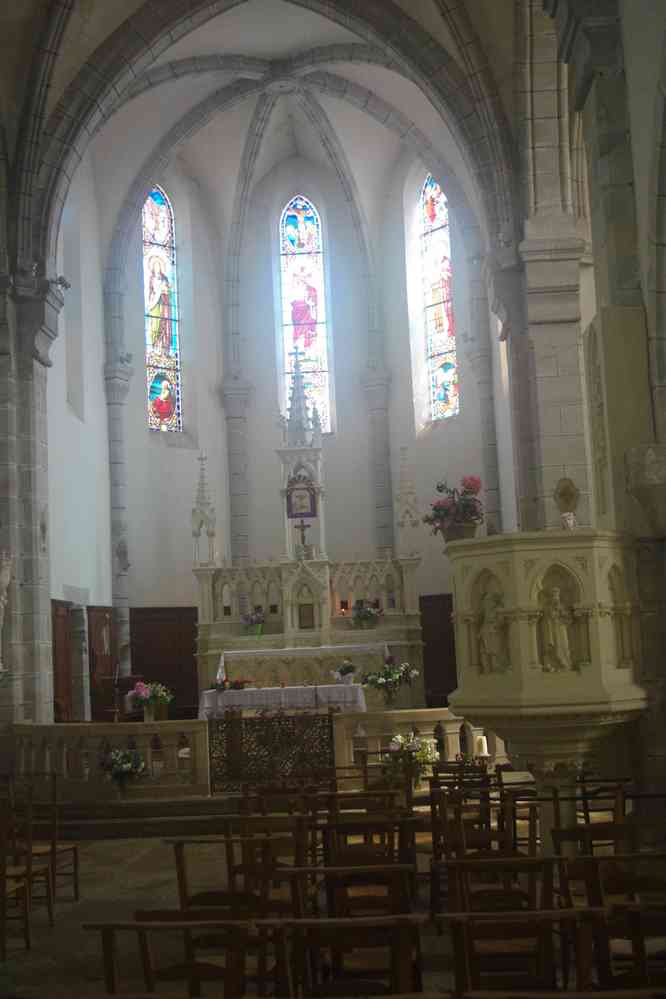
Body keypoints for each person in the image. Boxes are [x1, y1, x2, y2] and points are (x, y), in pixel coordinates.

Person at [542, 587, 573, 671]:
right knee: (554, 647)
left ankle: (565, 664)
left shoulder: (562, 606)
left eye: (556, 595)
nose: (555, 597)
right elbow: (547, 618)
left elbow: (569, 619)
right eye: (553, 595)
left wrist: (561, 612)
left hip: (561, 628)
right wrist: (553, 612)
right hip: (552, 629)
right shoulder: (548, 607)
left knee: (564, 646)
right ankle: (553, 664)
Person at [146, 256, 172, 354]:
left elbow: (169, 292)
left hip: (164, 303)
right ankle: (155, 348)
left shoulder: (165, 279)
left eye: (158, 266)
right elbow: (151, 292)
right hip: (155, 305)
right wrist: (158, 291)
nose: (157, 268)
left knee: (165, 323)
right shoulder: (151, 278)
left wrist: (166, 290)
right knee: (155, 325)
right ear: (153, 267)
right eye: (155, 266)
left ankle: (164, 350)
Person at [291, 270, 318, 348]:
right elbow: (292, 302)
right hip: (298, 314)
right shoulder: (295, 289)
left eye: (304, 278)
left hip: (308, 313)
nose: (302, 281)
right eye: (300, 279)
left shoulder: (312, 289)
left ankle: (308, 345)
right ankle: (298, 343)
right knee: (299, 328)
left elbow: (314, 302)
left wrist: (309, 302)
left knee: (308, 328)